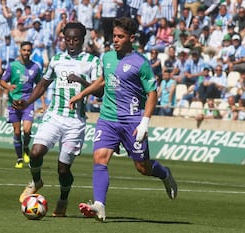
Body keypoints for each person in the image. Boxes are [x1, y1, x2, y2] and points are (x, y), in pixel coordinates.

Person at [69, 17, 177, 222]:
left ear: (131, 38)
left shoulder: (141, 64)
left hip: (132, 121)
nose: (115, 40)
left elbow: (152, 93)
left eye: (120, 36)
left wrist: (145, 122)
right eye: (114, 36)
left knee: (142, 168)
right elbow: (102, 80)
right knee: (100, 158)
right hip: (108, 118)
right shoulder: (107, 57)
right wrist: (82, 94)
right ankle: (99, 205)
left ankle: (165, 174)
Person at [12, 22, 102, 217]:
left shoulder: (92, 62)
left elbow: (101, 91)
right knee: (35, 152)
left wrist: (81, 81)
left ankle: (63, 200)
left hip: (75, 122)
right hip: (53, 116)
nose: (71, 43)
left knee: (63, 169)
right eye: (67, 39)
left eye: (75, 39)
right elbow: (43, 85)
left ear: (82, 39)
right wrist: (27, 103)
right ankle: (36, 181)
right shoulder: (56, 59)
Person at [0, 41, 43, 169]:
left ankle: (25, 148)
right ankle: (19, 158)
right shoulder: (12, 66)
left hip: (27, 102)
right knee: (17, 132)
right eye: (24, 50)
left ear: (31, 51)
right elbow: (2, 81)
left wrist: (43, 104)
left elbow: (40, 86)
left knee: (27, 130)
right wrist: (8, 86)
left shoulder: (35, 67)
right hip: (14, 102)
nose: (26, 52)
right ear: (20, 51)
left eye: (28, 50)